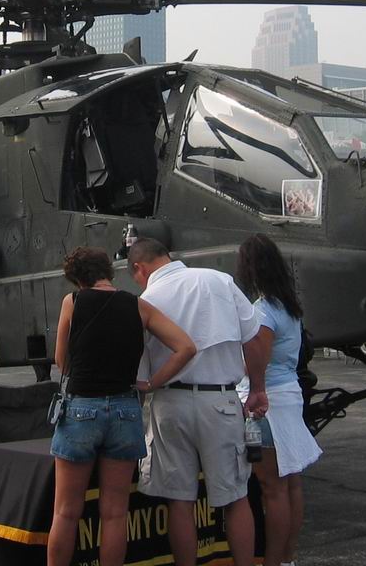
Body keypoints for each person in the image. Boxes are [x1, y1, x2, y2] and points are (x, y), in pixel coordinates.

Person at [47, 247, 196, 566]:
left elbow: (62, 362)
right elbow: (185, 347)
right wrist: (152, 382)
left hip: (82, 407)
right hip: (125, 409)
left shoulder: (73, 302)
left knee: (66, 511)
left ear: (77, 279)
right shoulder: (138, 305)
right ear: (107, 271)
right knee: (115, 513)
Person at [128, 238, 267, 566]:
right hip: (220, 400)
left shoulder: (146, 301)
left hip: (169, 403)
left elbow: (140, 372)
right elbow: (254, 339)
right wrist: (258, 388)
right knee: (236, 498)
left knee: (180, 501)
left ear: (139, 268)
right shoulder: (219, 281)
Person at [235, 234, 322, 566]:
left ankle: (272, 561)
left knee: (271, 489)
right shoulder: (288, 306)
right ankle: (287, 558)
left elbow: (255, 362)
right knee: (290, 484)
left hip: (265, 403)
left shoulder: (261, 310)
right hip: (288, 396)